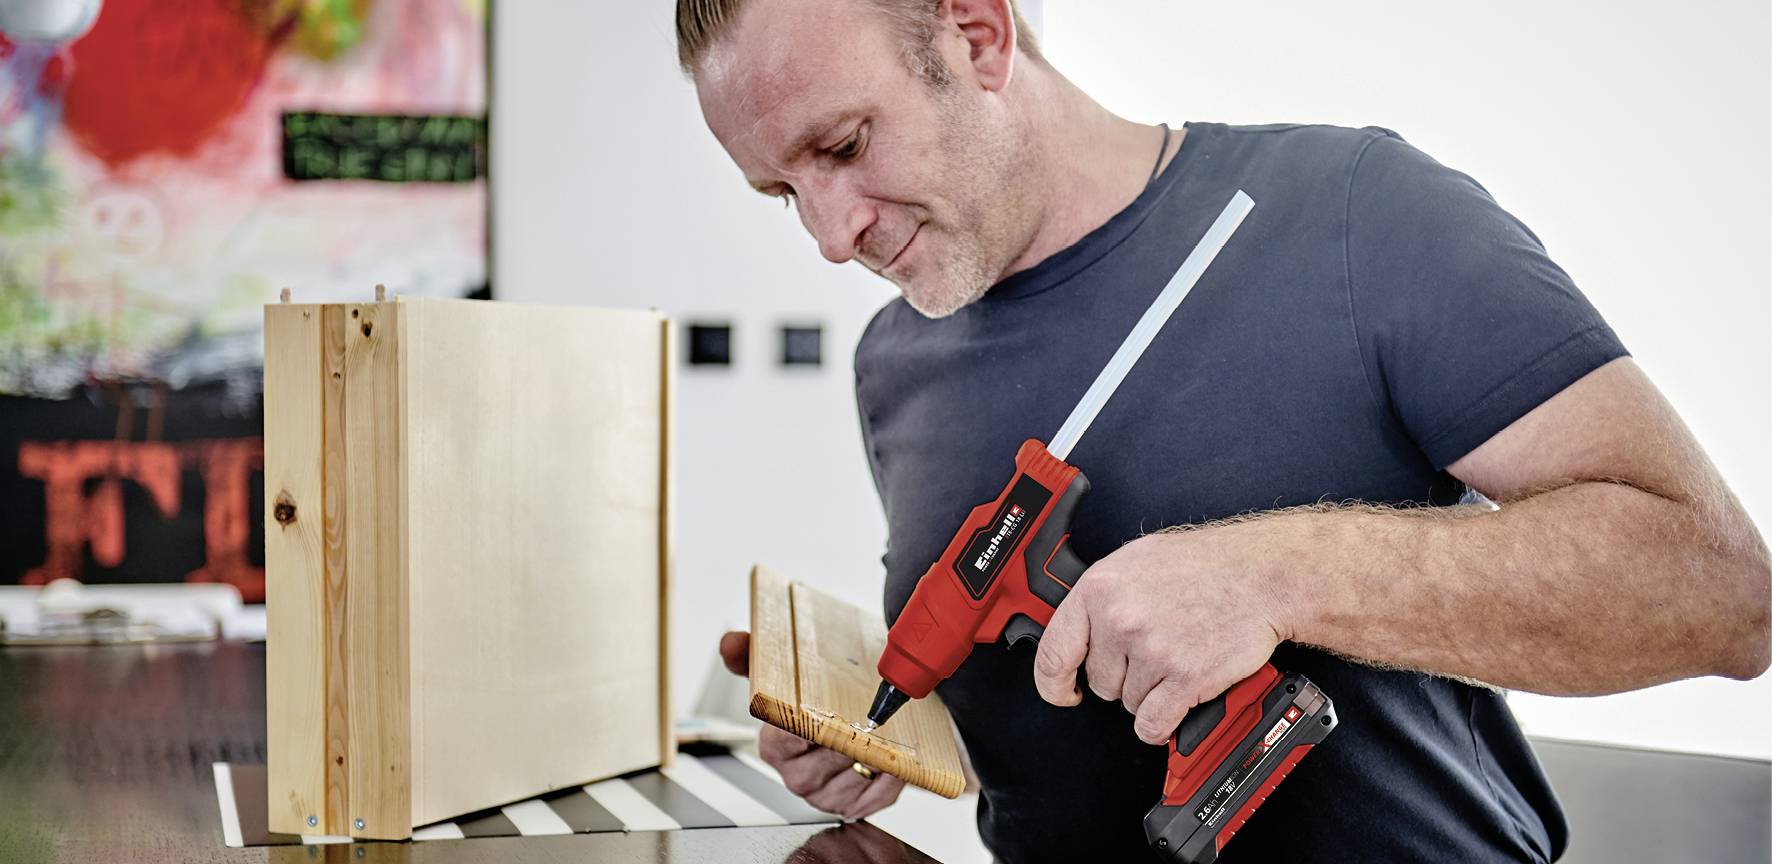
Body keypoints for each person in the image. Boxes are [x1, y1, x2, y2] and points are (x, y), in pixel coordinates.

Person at [679, 0, 1772, 860]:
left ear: (975, 32)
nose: (829, 236)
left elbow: (1720, 595)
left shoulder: (1357, 213)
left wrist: (1277, 573)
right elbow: (1040, 727)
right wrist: (884, 735)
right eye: (783, 191)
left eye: (842, 145)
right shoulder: (893, 361)